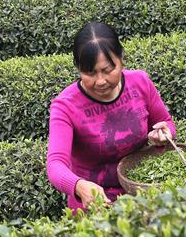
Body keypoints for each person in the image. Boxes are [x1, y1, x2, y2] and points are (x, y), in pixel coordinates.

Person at [46, 22, 176, 213]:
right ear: (78, 68)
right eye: (89, 73)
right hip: (96, 203)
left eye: (108, 70)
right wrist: (79, 185)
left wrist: (164, 134)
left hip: (144, 193)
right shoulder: (66, 106)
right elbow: (55, 163)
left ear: (121, 59)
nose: (100, 81)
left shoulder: (140, 82)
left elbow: (167, 124)